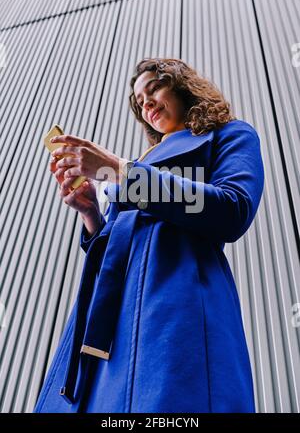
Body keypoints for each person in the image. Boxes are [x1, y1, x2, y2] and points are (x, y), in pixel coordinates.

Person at [34, 58, 264, 413]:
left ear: (184, 86)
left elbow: (233, 208)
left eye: (154, 87)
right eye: (140, 101)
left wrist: (119, 170)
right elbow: (114, 246)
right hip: (107, 316)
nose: (147, 103)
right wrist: (91, 213)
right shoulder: (142, 163)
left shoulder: (231, 135)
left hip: (172, 302)